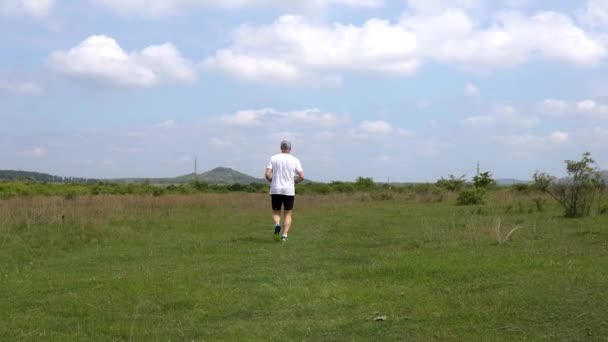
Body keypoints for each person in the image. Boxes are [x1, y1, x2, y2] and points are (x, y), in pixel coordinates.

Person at [265, 140, 304, 242]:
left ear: (281, 148)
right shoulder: (295, 160)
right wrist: (295, 182)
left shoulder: (273, 158)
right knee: (287, 213)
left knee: (276, 212)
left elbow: (267, 173)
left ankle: (277, 225)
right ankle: (284, 236)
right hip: (289, 190)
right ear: (290, 149)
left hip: (275, 189)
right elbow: (302, 176)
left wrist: (271, 181)